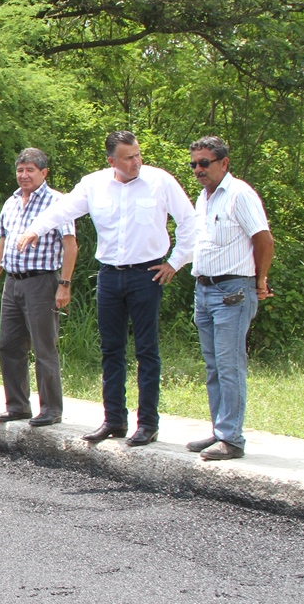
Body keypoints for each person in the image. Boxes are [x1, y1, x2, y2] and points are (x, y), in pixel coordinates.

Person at [17, 131, 195, 446]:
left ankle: (148, 424)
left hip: (147, 274)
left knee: (146, 350)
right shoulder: (94, 184)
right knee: (111, 350)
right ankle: (114, 420)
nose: (137, 161)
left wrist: (175, 262)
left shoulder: (160, 182)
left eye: (138, 154)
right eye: (128, 157)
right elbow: (63, 210)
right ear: (112, 161)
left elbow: (190, 223)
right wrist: (34, 229)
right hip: (110, 276)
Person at [183, 137, 273, 462]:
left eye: (204, 163)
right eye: (194, 164)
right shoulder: (203, 198)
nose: (198, 170)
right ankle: (220, 429)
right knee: (213, 366)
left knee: (229, 365)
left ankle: (231, 439)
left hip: (233, 291)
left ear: (224, 163)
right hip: (204, 290)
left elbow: (263, 238)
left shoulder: (239, 194)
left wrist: (260, 280)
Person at [0, 149, 78, 427]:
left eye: (30, 170)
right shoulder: (11, 202)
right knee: (9, 345)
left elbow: (70, 246)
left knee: (44, 347)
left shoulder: (58, 202)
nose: (24, 175)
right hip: (13, 282)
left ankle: (50, 409)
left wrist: (64, 285)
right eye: (20, 170)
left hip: (42, 282)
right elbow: (2, 246)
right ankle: (17, 405)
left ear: (44, 173)